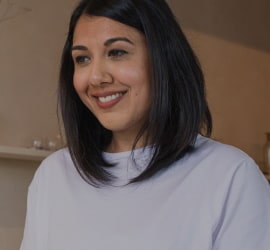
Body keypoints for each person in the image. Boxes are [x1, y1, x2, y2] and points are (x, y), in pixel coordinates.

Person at [20, 0, 270, 249]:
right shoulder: (53, 175)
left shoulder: (231, 175)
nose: (96, 77)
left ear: (163, 58)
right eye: (82, 58)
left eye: (117, 52)